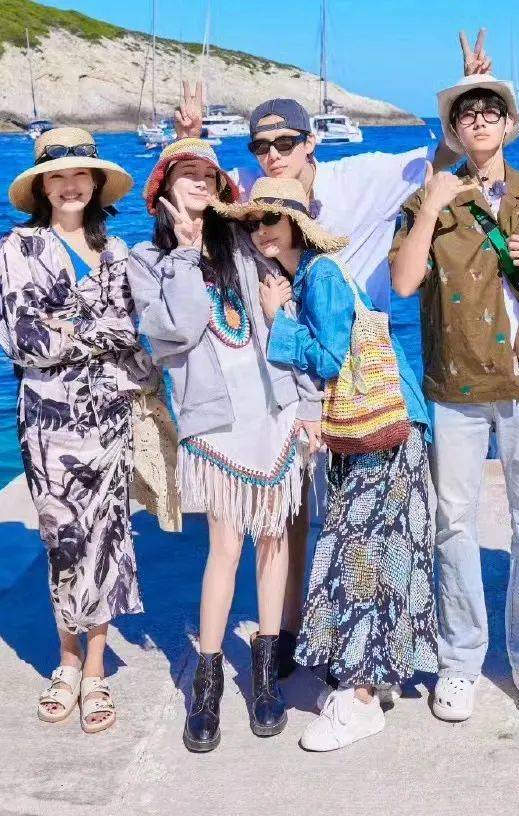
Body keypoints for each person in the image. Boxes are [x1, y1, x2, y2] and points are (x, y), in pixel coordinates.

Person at [172, 31, 492, 677]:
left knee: (357, 517)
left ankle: (367, 651)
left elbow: (439, 162)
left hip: (354, 365)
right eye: (261, 145)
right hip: (294, 366)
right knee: (292, 506)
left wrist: (468, 95)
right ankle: (288, 633)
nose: (273, 154)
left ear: (310, 142)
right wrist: (192, 138)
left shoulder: (359, 178)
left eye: (285, 143)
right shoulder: (259, 188)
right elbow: (193, 192)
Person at [216, 176, 436, 750]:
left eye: (271, 219)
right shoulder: (306, 276)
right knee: (370, 552)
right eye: (253, 222)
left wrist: (276, 321)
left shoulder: (321, 276)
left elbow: (331, 358)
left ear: (296, 224)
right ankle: (370, 680)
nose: (260, 230)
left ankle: (360, 701)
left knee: (359, 553)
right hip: (375, 429)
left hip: (384, 430)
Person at [128, 139, 326, 752]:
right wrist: (187, 254)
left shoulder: (242, 243)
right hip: (215, 423)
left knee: (274, 538)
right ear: (163, 188)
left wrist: (309, 403)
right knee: (225, 546)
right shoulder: (147, 260)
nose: (198, 182)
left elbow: (282, 321)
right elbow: (178, 330)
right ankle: (208, 682)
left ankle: (264, 677)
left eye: (207, 174)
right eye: (186, 173)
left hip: (274, 410)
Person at [390, 73, 519, 722]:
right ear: (453, 129)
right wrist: (433, 203)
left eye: (490, 110)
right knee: (454, 523)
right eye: (466, 112)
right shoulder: (428, 199)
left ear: (509, 123)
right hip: (454, 384)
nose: (478, 119)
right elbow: (404, 282)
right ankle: (461, 660)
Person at [0, 128, 157, 734]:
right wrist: (100, 333)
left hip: (111, 417)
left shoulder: (117, 251)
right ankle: (66, 662)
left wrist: (72, 328)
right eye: (57, 176)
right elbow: (23, 340)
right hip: (49, 421)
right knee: (63, 541)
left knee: (108, 538)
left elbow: (135, 331)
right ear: (42, 187)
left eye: (79, 174)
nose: (70, 185)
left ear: (95, 183)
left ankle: (94, 670)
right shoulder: (18, 248)